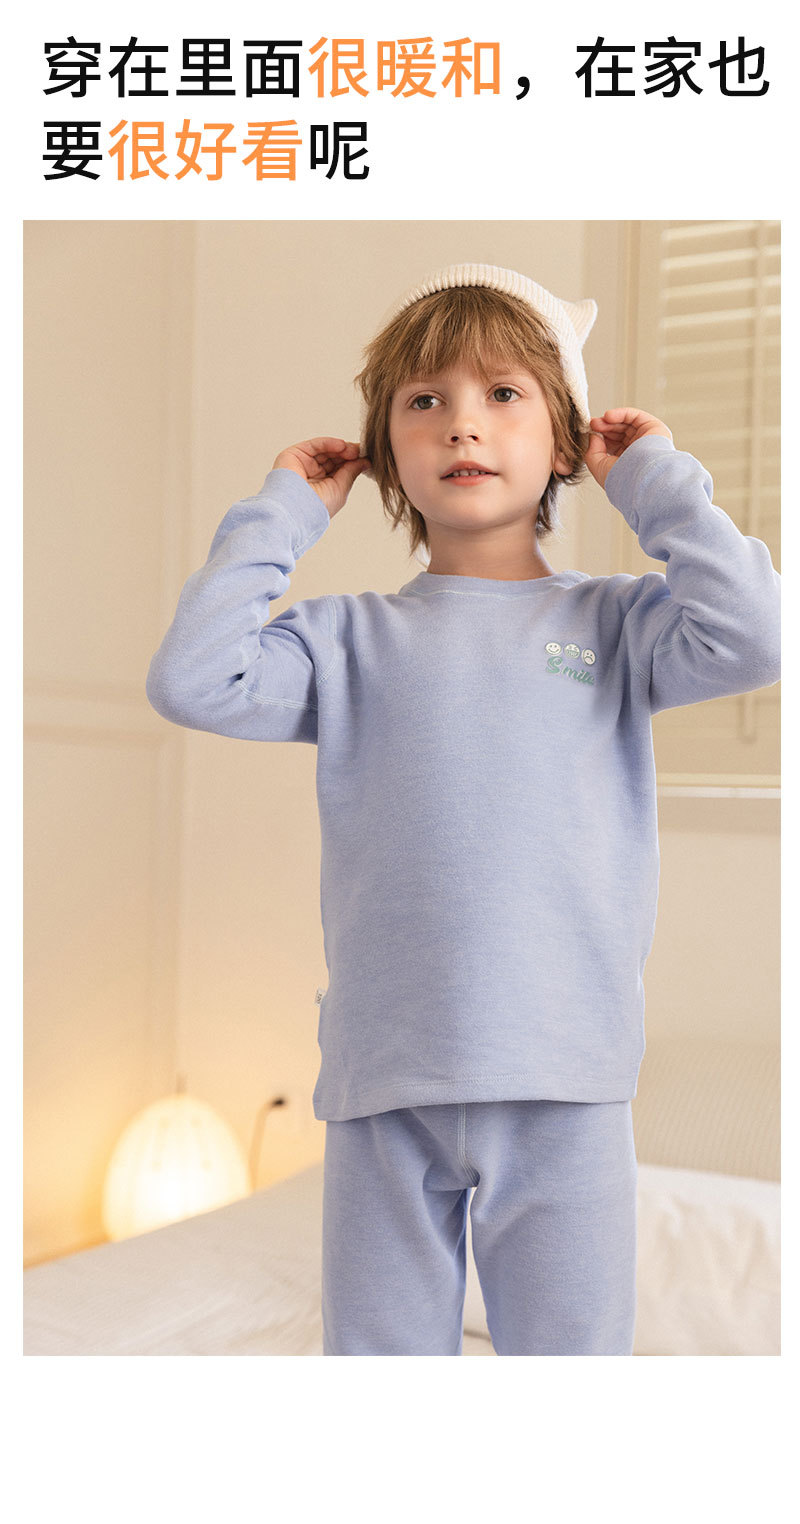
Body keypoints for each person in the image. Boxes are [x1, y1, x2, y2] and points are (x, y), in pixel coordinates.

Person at [146, 263, 781, 1356]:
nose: (461, 424)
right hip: (382, 1080)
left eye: (504, 394)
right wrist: (282, 514)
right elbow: (192, 678)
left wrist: (653, 484)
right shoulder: (344, 641)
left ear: (564, 440)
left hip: (565, 1077)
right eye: (425, 400)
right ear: (387, 449)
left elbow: (755, 636)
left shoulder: (618, 627)